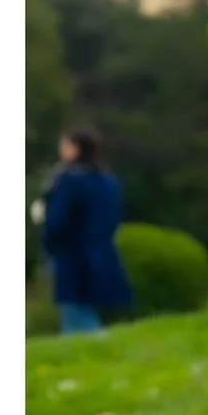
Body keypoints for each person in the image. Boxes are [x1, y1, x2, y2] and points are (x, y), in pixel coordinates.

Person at [41, 126, 131, 332]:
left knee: (75, 314)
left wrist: (49, 243)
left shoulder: (68, 180)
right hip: (101, 250)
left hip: (72, 254)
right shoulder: (108, 181)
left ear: (76, 148)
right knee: (87, 309)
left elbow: (56, 220)